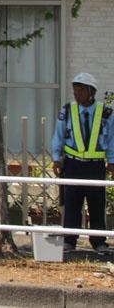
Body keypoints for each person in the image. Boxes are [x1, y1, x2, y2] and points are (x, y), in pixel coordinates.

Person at [51, 72, 114, 255]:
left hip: (95, 165)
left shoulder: (106, 112)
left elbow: (111, 138)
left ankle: (98, 242)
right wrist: (56, 158)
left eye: (81, 90)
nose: (77, 94)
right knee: (72, 203)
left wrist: (111, 161)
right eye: (75, 90)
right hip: (72, 163)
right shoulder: (68, 110)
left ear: (91, 92)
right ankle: (69, 240)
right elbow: (59, 134)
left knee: (97, 203)